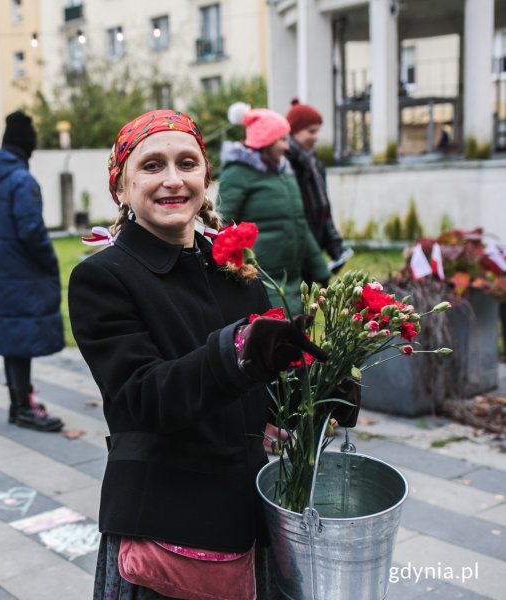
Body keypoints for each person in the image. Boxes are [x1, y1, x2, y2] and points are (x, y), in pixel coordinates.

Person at [68, 110, 328, 599]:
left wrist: (322, 390)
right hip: (170, 531)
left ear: (205, 180)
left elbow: (266, 394)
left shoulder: (236, 272)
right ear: (121, 189)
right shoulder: (104, 278)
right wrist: (234, 355)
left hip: (248, 519)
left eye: (187, 164)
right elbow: (141, 396)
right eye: (151, 166)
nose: (173, 179)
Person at [0, 111, 64, 432]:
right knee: (19, 337)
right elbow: (32, 229)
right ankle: (24, 407)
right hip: (21, 268)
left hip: (1, 263)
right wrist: (49, 260)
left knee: (11, 336)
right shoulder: (22, 180)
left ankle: (19, 403)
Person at [219, 107, 330, 315]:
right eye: (282, 140)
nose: (287, 147)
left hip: (292, 280)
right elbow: (223, 224)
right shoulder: (238, 173)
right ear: (265, 142)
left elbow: (299, 224)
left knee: (296, 338)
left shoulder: (284, 174)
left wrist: (319, 269)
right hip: (262, 281)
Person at [284, 99, 347, 270]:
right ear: (294, 131)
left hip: (315, 245)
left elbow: (323, 207)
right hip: (296, 253)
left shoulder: (314, 162)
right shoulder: (285, 165)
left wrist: (335, 246)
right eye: (311, 131)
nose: (316, 137)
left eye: (317, 131)